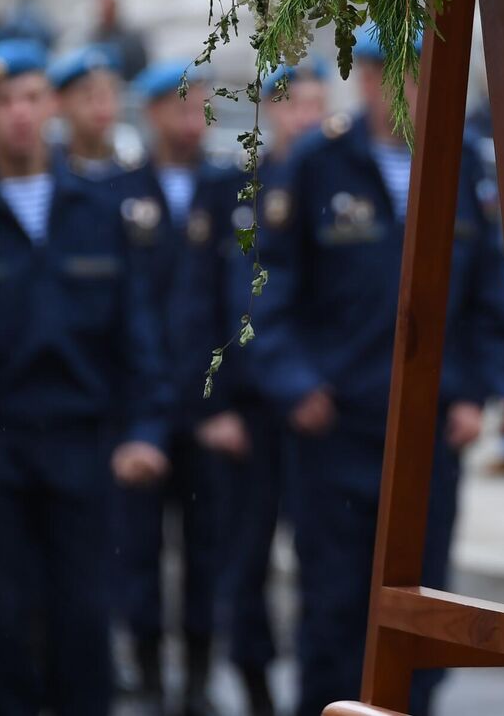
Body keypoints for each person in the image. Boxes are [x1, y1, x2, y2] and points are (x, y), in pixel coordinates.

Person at [0, 39, 172, 716]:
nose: (20, 114)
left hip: (80, 446)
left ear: (51, 106)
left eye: (31, 97)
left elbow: (136, 335)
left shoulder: (97, 211)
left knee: (83, 626)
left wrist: (145, 430)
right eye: (2, 101)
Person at [249, 28, 504, 716]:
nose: (413, 88)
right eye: (397, 71)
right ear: (367, 79)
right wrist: (293, 382)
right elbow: (266, 289)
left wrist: (482, 390)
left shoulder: (464, 164)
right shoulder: (317, 164)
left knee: (423, 603)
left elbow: (491, 291)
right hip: (337, 423)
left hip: (430, 428)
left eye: (426, 72)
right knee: (336, 602)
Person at [114, 60, 252, 716]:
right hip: (138, 412)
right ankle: (144, 669)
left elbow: (239, 305)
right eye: (175, 107)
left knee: (207, 550)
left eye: (198, 105)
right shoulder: (120, 191)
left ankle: (198, 676)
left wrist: (217, 406)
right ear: (148, 114)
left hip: (207, 412)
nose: (189, 119)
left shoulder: (229, 191)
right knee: (135, 549)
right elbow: (122, 312)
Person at [224, 61, 325, 716]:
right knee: (248, 552)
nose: (306, 118)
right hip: (258, 406)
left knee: (322, 554)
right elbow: (234, 304)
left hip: (321, 404)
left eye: (316, 104)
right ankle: (255, 677)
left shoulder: (333, 179)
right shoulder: (246, 194)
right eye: (292, 106)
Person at [50, 44, 138, 181]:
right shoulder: (50, 171)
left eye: (110, 92)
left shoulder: (134, 167)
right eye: (88, 94)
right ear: (61, 102)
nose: (101, 105)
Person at [87, 0, 150, 82]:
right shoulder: (93, 37)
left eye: (108, 8)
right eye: (103, 8)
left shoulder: (132, 38)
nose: (105, 12)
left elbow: (141, 67)